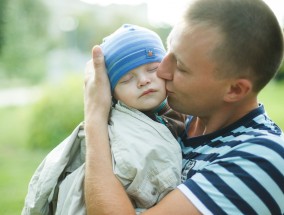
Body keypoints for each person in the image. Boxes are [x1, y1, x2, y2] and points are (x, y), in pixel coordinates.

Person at [83, 0, 284, 214]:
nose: (161, 71)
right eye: (168, 51)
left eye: (181, 66)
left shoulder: (262, 158)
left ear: (234, 90)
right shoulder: (174, 121)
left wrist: (95, 116)